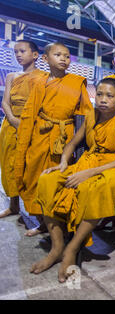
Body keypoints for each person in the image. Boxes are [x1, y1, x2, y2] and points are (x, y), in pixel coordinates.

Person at [30, 78, 115, 282]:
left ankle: (72, 247)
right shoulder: (91, 115)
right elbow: (73, 143)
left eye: (109, 96)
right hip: (88, 162)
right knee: (48, 180)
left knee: (94, 188)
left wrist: (89, 173)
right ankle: (57, 246)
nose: (103, 99)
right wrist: (63, 162)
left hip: (113, 167)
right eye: (99, 95)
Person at [14, 42, 93, 228]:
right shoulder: (38, 82)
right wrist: (25, 140)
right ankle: (42, 223)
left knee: (58, 180)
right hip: (40, 135)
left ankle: (59, 226)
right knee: (33, 177)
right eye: (58, 55)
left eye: (67, 56)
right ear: (45, 58)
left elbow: (86, 115)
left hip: (65, 137)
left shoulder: (76, 82)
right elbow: (29, 113)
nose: (64, 59)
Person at [0, 40, 47, 236]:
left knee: (31, 169)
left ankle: (42, 219)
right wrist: (11, 118)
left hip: (32, 125)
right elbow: (5, 102)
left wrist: (27, 124)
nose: (18, 55)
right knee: (9, 165)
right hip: (10, 125)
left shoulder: (44, 77)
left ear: (35, 55)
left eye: (22, 51)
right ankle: (13, 206)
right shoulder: (12, 76)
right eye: (16, 52)